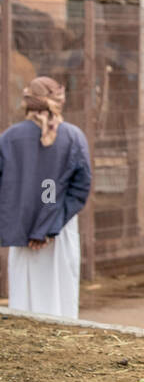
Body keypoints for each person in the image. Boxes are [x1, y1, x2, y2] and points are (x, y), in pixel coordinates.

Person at [0, 76, 92, 318]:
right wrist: (48, 227)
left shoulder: (9, 138)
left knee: (24, 303)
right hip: (59, 236)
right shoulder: (73, 137)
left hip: (23, 238)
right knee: (60, 301)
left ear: (28, 103)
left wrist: (26, 226)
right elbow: (78, 188)